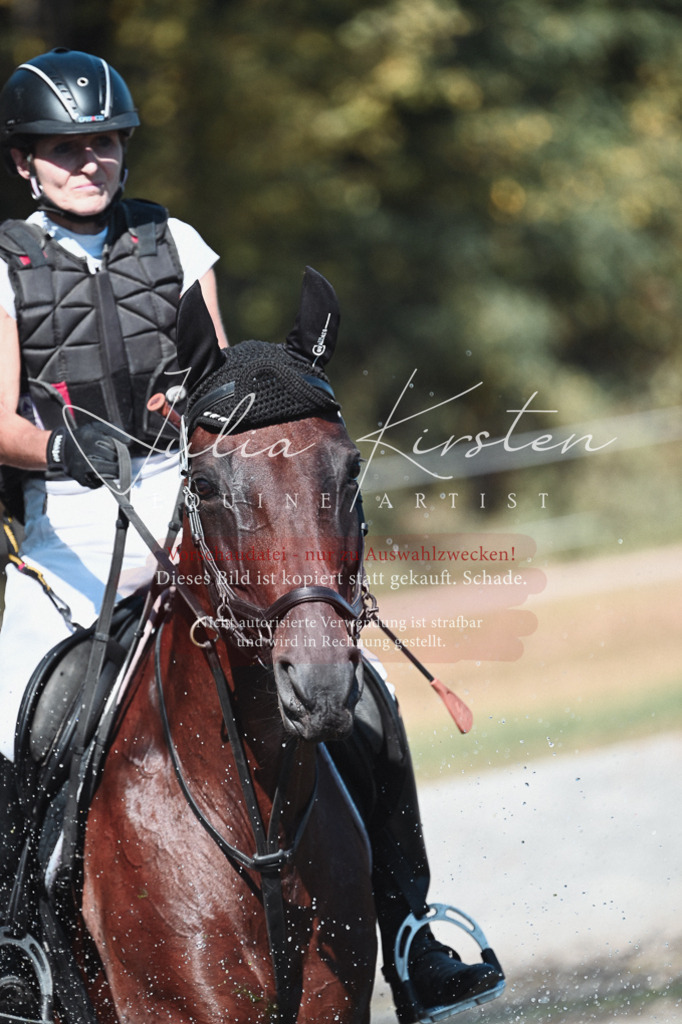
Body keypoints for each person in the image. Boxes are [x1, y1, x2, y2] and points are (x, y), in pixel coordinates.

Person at [0, 48, 503, 1024]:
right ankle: (19, 944)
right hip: (68, 532)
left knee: (364, 684)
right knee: (12, 705)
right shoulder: (5, 262)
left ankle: (410, 928)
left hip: (194, 498)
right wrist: (62, 440)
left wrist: (224, 427)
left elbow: (224, 385)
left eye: (104, 142)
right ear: (26, 161)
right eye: (65, 148)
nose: (89, 161)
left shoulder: (175, 242)